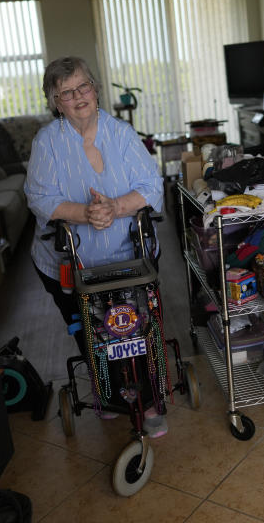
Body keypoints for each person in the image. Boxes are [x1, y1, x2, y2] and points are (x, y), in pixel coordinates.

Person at [24, 56, 166, 433]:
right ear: (55, 102)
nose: (77, 96)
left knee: (138, 326)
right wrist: (87, 214)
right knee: (92, 331)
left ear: (96, 89)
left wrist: (115, 207)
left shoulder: (121, 133)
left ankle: (149, 400)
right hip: (71, 262)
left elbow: (153, 188)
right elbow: (40, 198)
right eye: (66, 92)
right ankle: (109, 391)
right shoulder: (47, 142)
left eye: (83, 87)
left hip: (130, 256)